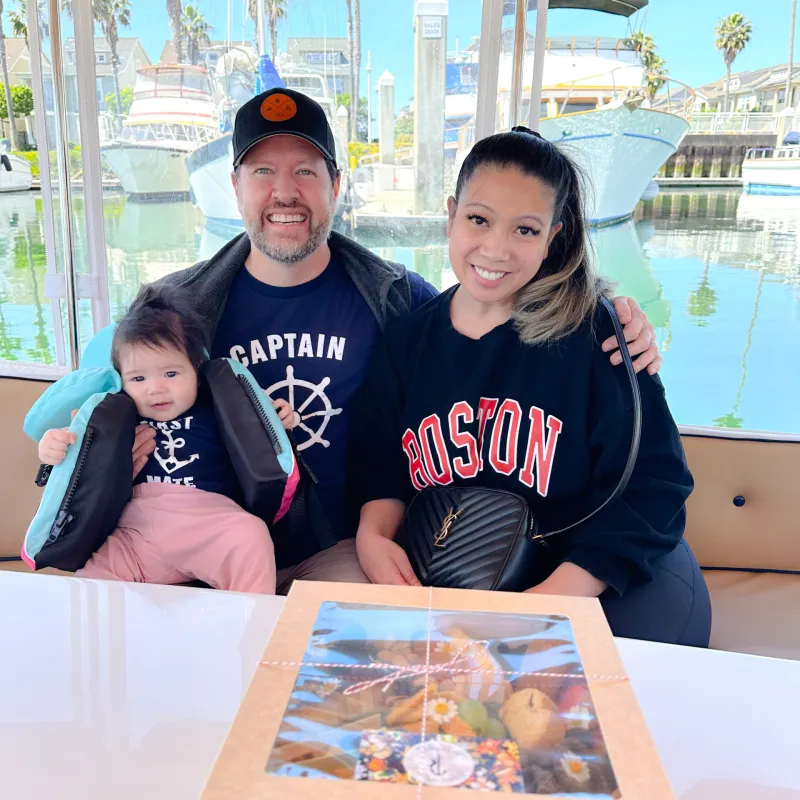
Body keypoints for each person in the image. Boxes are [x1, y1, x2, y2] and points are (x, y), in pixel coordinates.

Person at [133, 87, 664, 594]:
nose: (285, 191)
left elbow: (484, 320)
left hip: (335, 552)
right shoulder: (172, 307)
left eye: (306, 172)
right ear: (236, 185)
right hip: (203, 545)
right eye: (263, 171)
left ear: (336, 185)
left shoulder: (396, 300)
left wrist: (615, 314)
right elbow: (100, 401)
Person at [349, 128, 711, 646]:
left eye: (524, 230)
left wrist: (545, 604)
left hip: (597, 574)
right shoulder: (406, 340)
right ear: (451, 214)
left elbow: (655, 485)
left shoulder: (599, 335)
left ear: (553, 237)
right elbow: (379, 464)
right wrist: (373, 536)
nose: (495, 249)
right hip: (461, 566)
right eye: (478, 219)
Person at [37, 284, 298, 593]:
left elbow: (262, 437)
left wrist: (282, 419)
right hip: (135, 535)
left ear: (197, 371)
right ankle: (89, 638)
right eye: (138, 378)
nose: (155, 389)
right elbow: (72, 466)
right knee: (88, 587)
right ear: (122, 381)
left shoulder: (219, 407)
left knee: (251, 536)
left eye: (171, 374)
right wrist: (51, 447)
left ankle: (253, 627)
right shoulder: (116, 419)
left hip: (211, 525)